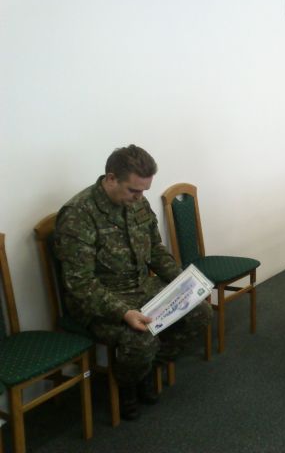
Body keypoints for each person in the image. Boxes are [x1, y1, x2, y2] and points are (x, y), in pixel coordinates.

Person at [54, 145, 212, 420]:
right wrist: (123, 312)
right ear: (111, 178)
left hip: (142, 287)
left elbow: (155, 250)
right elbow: (80, 284)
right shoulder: (78, 215)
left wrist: (183, 283)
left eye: (144, 191)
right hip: (101, 301)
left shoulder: (138, 202)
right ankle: (127, 386)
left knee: (200, 313)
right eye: (133, 190)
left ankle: (144, 371)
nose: (139, 197)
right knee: (140, 339)